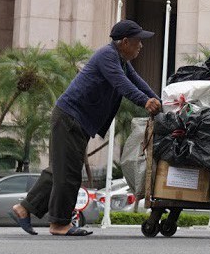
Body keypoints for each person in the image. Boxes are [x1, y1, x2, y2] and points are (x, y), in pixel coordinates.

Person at [10, 19, 162, 236]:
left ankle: (23, 209)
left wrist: (162, 104)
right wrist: (145, 102)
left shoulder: (121, 61)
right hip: (70, 118)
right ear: (125, 42)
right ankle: (59, 224)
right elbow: (122, 84)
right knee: (69, 174)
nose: (141, 45)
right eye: (138, 41)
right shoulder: (107, 56)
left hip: (75, 120)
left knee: (58, 171)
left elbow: (139, 83)